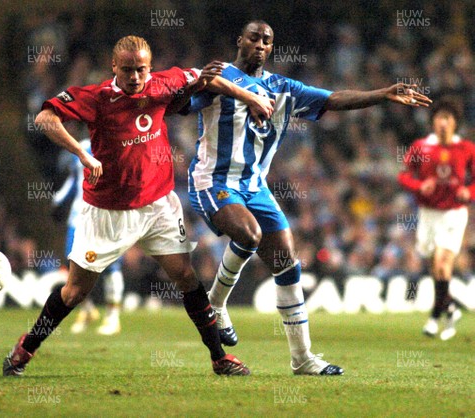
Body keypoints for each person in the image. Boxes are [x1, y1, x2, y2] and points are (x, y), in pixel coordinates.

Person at [3, 35, 275, 377]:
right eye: (128, 70)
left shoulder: (163, 83)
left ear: (150, 66)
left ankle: (219, 358)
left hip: (158, 204)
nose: (135, 77)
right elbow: (45, 118)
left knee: (186, 276)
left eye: (141, 70)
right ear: (114, 67)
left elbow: (207, 78)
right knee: (74, 292)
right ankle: (26, 347)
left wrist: (249, 96)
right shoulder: (96, 97)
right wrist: (82, 153)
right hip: (107, 210)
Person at [184, 20, 431, 375]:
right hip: (214, 180)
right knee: (250, 235)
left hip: (255, 186)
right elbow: (183, 102)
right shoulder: (219, 76)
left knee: (287, 264)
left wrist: (382, 94)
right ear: (240, 40)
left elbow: (332, 99)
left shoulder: (283, 88)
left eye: (267, 41)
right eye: (253, 37)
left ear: (271, 48)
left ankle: (302, 359)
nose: (259, 44)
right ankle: (217, 305)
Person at [398, 97, 473, 341]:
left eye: (448, 118)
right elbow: (404, 176)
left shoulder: (466, 149)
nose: (443, 123)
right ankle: (450, 309)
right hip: (428, 213)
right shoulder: (421, 147)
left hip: (453, 212)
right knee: (436, 268)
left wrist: (469, 192)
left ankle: (434, 316)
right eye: (439, 118)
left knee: (443, 262)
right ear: (433, 122)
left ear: (455, 123)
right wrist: (420, 185)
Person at [52, 140, 124, 336]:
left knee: (111, 266)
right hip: (79, 218)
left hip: (109, 216)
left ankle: (112, 316)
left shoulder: (120, 143)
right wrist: (57, 199)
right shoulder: (80, 147)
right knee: (73, 264)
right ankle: (87, 310)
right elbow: (74, 181)